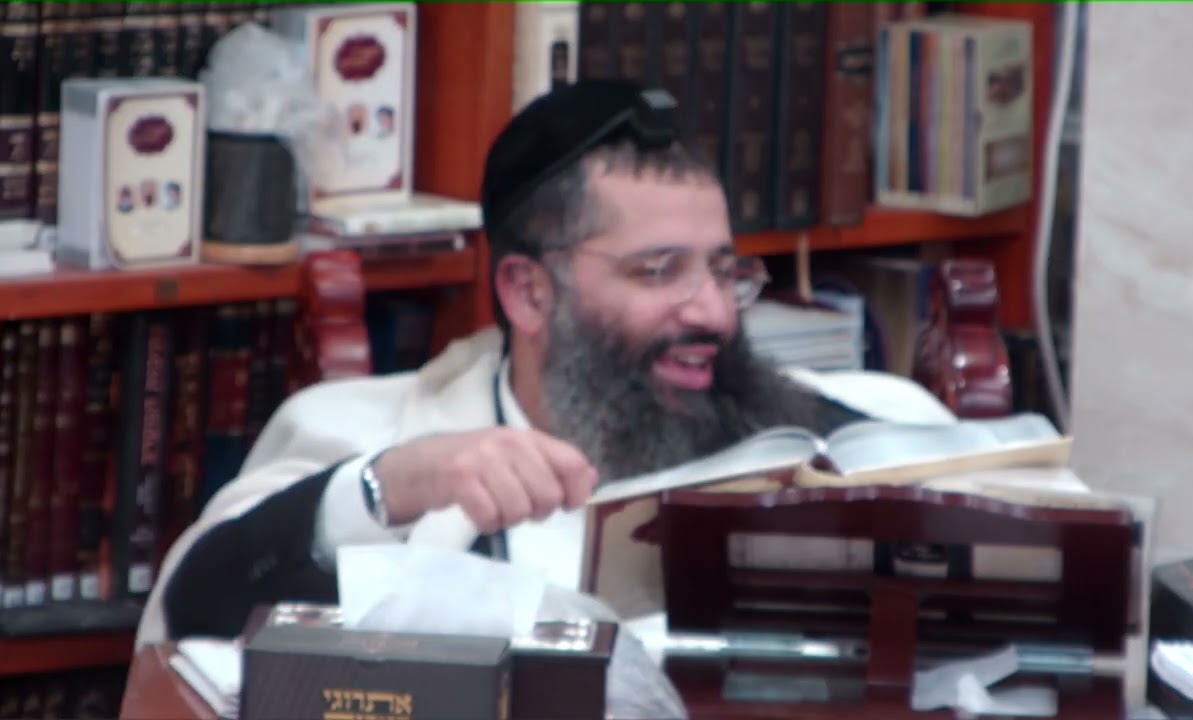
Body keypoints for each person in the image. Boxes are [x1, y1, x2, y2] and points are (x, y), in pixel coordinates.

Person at [137, 80, 953, 647]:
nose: (711, 311)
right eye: (658, 271)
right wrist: (397, 486)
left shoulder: (858, 429)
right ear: (529, 293)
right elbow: (191, 617)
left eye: (723, 271)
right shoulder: (370, 442)